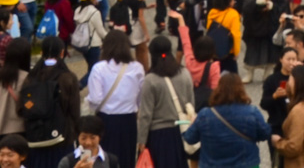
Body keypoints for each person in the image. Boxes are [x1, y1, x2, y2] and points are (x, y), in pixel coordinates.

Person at [18, 37, 80, 168]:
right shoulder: (68, 78)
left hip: (35, 139)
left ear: (41, 53)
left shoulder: (30, 78)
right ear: (62, 53)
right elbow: (74, 112)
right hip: (62, 139)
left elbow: (20, 109)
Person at [181, 75, 268, 168]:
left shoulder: (205, 115)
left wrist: (192, 124)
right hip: (247, 164)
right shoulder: (252, 112)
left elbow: (190, 138)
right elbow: (265, 134)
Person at [84, 35, 144, 168]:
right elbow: (141, 98)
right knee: (127, 158)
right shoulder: (137, 67)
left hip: (106, 120)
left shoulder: (99, 68)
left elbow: (95, 98)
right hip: (129, 120)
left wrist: (87, 102)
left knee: (105, 159)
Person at [136, 37, 195, 168]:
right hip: (181, 132)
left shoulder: (151, 79)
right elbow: (191, 103)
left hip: (158, 136)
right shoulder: (184, 73)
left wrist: (141, 141)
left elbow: (145, 114)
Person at [271, 66, 304, 168]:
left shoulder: (299, 111)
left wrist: (277, 142)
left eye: (290, 79)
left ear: (297, 82)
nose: (287, 83)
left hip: (299, 163)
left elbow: (293, 147)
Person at [72, 0, 109, 77]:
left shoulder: (78, 11)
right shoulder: (95, 12)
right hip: (94, 45)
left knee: (91, 67)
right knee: (94, 71)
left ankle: (92, 88)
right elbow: (101, 31)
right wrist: (111, 37)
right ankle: (79, 85)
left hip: (84, 44)